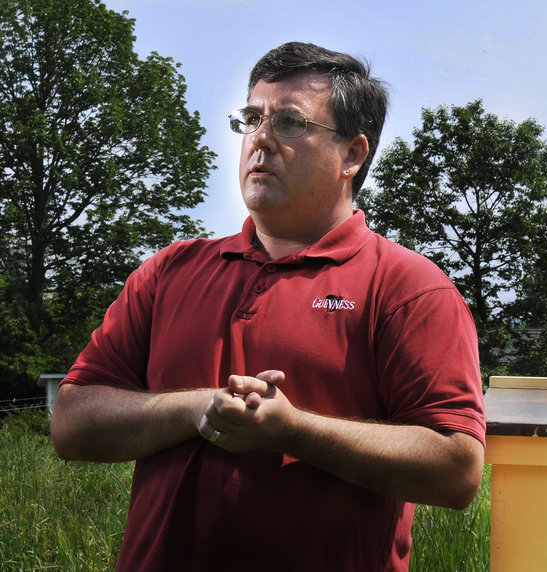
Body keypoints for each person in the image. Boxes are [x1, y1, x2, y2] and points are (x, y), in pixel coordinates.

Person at [50, 41, 485, 572]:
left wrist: (293, 431)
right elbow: (71, 423)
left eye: (290, 123)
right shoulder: (168, 272)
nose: (260, 140)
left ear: (352, 154)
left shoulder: (409, 288)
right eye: (252, 118)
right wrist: (196, 408)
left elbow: (457, 471)